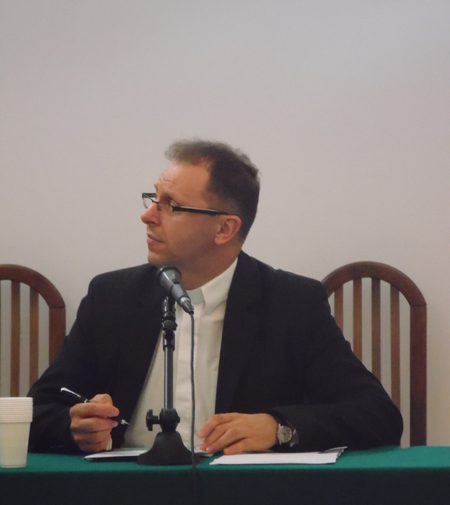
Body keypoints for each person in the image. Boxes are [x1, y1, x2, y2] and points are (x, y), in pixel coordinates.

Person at [28, 139, 403, 455]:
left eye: (170, 205)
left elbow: (378, 415)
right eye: (153, 198)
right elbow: (37, 411)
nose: (148, 216)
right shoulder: (112, 298)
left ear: (224, 228)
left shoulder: (292, 304)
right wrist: (73, 427)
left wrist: (278, 427)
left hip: (242, 502)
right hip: (125, 496)